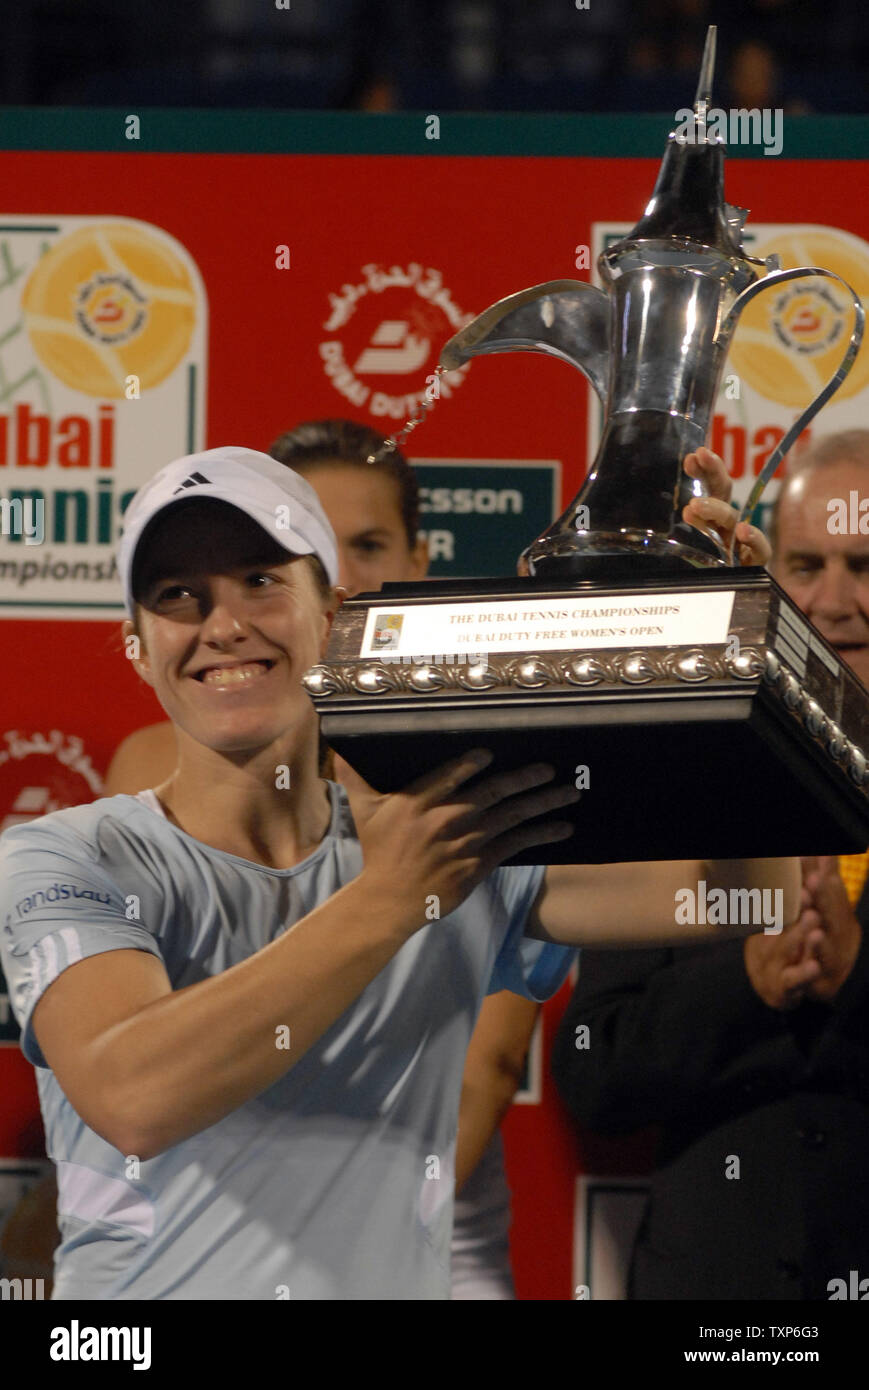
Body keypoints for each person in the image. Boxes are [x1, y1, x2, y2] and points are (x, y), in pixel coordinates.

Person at [0, 443, 796, 1300]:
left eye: (261, 580)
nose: (222, 625)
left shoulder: (452, 834)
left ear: (335, 610)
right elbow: (133, 1099)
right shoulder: (63, 854)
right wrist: (390, 896)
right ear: (135, 645)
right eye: (176, 596)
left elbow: (745, 896)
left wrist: (739, 644)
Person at [103, 417, 539, 1300]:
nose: (231, 621)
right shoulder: (136, 793)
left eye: (367, 546)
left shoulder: (474, 788)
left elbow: (484, 1071)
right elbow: (134, 1091)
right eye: (194, 590)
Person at [552, 429, 869, 1302]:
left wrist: (855, 978)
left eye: (865, 565)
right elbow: (591, 1072)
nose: (834, 601)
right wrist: (746, 982)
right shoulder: (682, 776)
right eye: (804, 563)